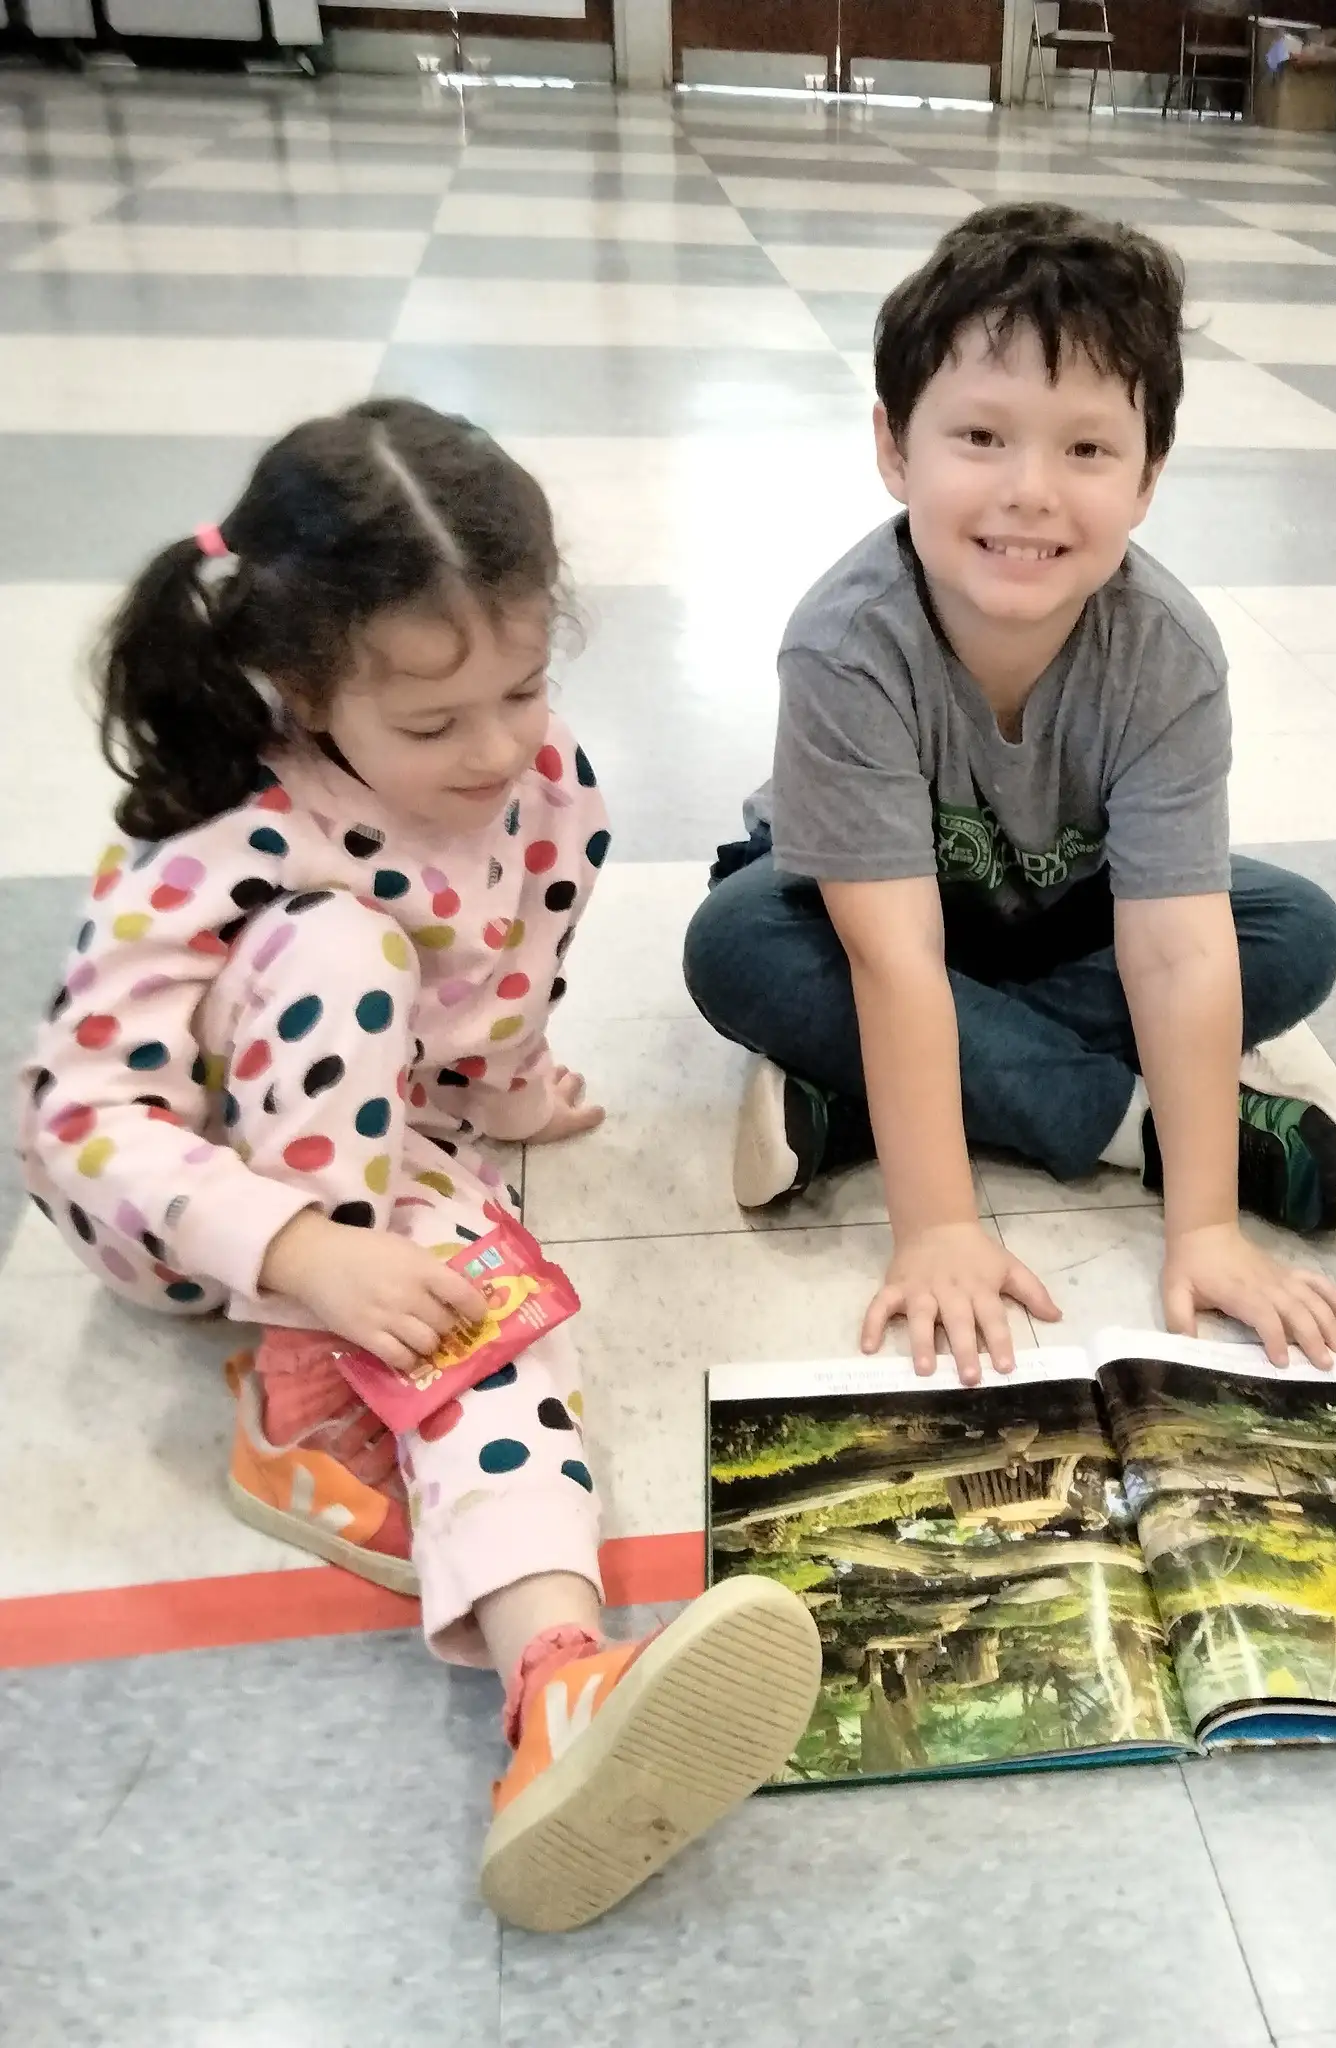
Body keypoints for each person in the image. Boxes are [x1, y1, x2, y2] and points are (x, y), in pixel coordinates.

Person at [13, 399, 820, 1931]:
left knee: (500, 1332)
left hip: (386, 1152)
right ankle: (295, 1391)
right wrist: (301, 1252)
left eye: (522, 687)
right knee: (340, 948)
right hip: (194, 1199)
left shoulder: (548, 781)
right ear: (304, 688)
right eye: (436, 725)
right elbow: (76, 1117)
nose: (499, 748)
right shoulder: (230, 829)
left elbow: (515, 967)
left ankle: (559, 1687)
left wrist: (507, 1096)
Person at [684, 202, 1336, 1385]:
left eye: (1086, 450)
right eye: (981, 436)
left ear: (1148, 476)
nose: (1030, 491)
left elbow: (1175, 949)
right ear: (894, 448)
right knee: (736, 946)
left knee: (1294, 932)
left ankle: (857, 1102)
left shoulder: (1165, 654)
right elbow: (893, 957)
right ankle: (1129, 1126)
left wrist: (1206, 1229)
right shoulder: (847, 644)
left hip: (1057, 912)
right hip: (865, 917)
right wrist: (939, 1224)